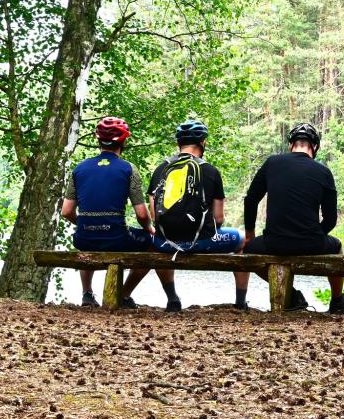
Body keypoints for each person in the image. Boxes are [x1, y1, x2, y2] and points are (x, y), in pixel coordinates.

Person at [121, 120, 244, 311]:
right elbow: (219, 219)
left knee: (157, 242)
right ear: (203, 142)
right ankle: (241, 302)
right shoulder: (210, 171)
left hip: (165, 243)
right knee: (241, 239)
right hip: (202, 241)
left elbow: (154, 215)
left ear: (178, 143)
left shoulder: (161, 169)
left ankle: (172, 299)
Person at [240, 122, 344, 313]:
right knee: (337, 245)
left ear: (291, 145)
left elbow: (250, 199)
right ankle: (337, 300)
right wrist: (313, 235)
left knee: (247, 251)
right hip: (311, 243)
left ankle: (294, 296)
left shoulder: (272, 163)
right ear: (315, 147)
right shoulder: (323, 172)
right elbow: (330, 220)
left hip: (274, 243)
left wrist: (250, 235)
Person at [60, 117, 160, 307]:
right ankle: (123, 294)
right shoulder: (129, 169)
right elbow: (141, 214)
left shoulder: (79, 169)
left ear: (98, 141)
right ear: (124, 141)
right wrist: (149, 228)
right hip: (117, 237)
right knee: (153, 245)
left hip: (84, 237)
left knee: (86, 238)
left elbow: (66, 211)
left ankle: (87, 294)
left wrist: (85, 223)